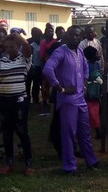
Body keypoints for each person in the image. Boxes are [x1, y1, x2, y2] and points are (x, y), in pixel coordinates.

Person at [43, 26, 100, 175]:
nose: (75, 38)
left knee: (85, 132)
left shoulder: (80, 51)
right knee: (68, 134)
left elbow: (86, 68)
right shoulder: (60, 51)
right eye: (72, 35)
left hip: (81, 98)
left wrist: (85, 83)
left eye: (78, 36)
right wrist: (59, 87)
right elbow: (48, 69)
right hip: (68, 100)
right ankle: (69, 167)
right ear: (67, 36)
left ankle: (91, 160)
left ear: (81, 38)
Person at [0, 32, 34, 176]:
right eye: (7, 47)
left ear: (18, 46)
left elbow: (27, 47)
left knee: (22, 131)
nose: (9, 49)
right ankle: (9, 163)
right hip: (3, 100)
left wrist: (18, 37)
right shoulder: (2, 60)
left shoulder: (24, 59)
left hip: (19, 100)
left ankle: (28, 164)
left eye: (12, 46)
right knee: (6, 132)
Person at [84, 46, 103, 140]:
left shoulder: (97, 64)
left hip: (97, 90)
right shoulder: (87, 65)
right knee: (92, 111)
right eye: (96, 54)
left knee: (96, 110)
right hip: (90, 90)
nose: (98, 55)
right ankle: (97, 129)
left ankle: (96, 127)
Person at [26, 27, 43, 105]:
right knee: (28, 84)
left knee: (36, 84)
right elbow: (29, 57)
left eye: (40, 36)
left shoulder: (42, 44)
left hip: (39, 67)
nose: (38, 37)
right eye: (37, 36)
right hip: (31, 67)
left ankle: (36, 99)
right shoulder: (30, 45)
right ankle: (27, 99)